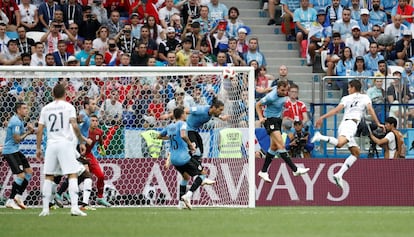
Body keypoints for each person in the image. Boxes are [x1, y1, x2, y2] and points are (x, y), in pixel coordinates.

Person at [311, 79, 385, 189]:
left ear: (354, 87)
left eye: (349, 87)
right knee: (340, 144)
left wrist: (322, 117)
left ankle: (339, 174)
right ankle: (320, 136)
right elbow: (371, 110)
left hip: (346, 124)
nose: (348, 89)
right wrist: (378, 123)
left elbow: (336, 110)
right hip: (350, 124)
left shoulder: (346, 98)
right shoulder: (365, 97)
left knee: (356, 152)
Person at [36, 83, 87, 216]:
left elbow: (40, 129)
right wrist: (81, 141)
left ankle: (45, 209)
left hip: (51, 144)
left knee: (48, 176)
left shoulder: (46, 108)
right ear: (65, 94)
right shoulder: (69, 107)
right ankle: (74, 208)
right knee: (72, 174)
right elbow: (75, 126)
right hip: (65, 144)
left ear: (53, 94)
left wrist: (38, 148)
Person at [158, 107, 214, 210]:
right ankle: (188, 195)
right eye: (185, 113)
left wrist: (170, 137)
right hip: (183, 158)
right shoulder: (183, 124)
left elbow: (159, 136)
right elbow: (183, 135)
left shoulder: (169, 126)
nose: (186, 115)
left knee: (186, 177)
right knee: (203, 174)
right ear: (182, 115)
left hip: (174, 159)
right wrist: (190, 145)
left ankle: (180, 203)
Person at [256, 80, 310, 183]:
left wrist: (265, 89)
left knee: (274, 147)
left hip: (277, 120)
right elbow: (258, 105)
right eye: (282, 90)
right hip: (269, 120)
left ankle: (263, 171)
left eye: (286, 90)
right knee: (281, 145)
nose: (285, 92)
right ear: (278, 89)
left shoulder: (282, 90)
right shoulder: (271, 97)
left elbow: (273, 88)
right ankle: (295, 169)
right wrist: (260, 117)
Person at [2, 102, 35, 210]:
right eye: (24, 108)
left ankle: (18, 196)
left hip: (15, 150)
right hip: (10, 151)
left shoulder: (19, 120)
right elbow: (17, 139)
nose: (26, 110)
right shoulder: (16, 121)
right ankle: (10, 200)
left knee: (29, 172)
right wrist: (28, 132)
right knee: (21, 175)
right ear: (18, 110)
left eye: (27, 108)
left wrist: (27, 131)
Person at [185, 97, 230, 162]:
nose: (221, 112)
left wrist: (221, 117)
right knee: (196, 153)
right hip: (188, 130)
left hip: (193, 130)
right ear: (214, 108)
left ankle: (196, 167)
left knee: (201, 152)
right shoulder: (201, 110)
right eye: (220, 110)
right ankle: (191, 167)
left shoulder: (211, 111)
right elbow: (186, 110)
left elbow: (214, 114)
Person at [84, 114, 111, 207]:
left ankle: (100, 198)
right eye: (92, 120)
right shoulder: (84, 131)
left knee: (101, 176)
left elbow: (100, 143)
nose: (95, 123)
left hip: (89, 155)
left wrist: (102, 150)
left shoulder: (99, 132)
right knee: (79, 177)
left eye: (96, 121)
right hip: (79, 155)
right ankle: (62, 193)